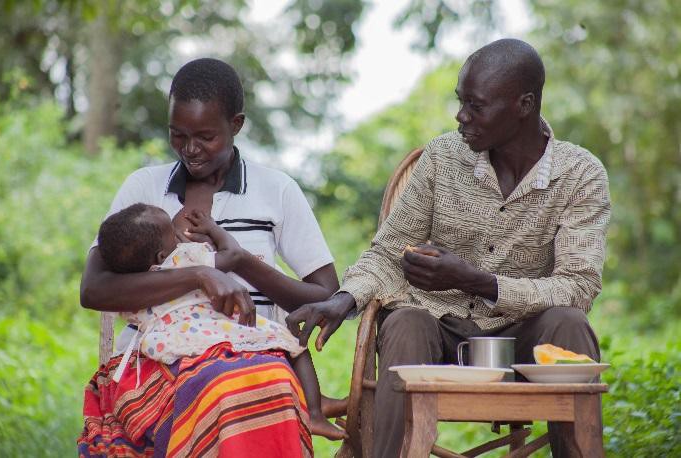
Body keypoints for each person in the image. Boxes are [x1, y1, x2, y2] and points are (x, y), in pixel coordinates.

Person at [286, 38, 611, 458]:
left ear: (524, 105)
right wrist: (343, 299)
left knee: (570, 324)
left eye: (476, 106)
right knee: (404, 323)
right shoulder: (442, 158)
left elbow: (578, 286)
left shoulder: (580, 174)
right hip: (437, 330)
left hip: (523, 341)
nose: (461, 116)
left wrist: (479, 282)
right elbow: (389, 253)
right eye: (461, 102)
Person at [78, 57, 343, 457]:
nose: (190, 149)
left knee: (255, 385)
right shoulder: (145, 187)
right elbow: (94, 289)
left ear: (235, 125)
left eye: (205, 136)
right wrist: (198, 274)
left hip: (251, 358)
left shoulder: (277, 190)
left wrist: (240, 263)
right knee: (225, 391)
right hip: (155, 363)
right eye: (177, 135)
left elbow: (324, 295)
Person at [95, 202, 344, 440]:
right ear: (162, 253)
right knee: (292, 343)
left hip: (170, 347)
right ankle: (314, 411)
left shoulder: (136, 283)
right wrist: (214, 231)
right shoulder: (188, 259)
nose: (177, 231)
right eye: (171, 232)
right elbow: (231, 254)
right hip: (217, 332)